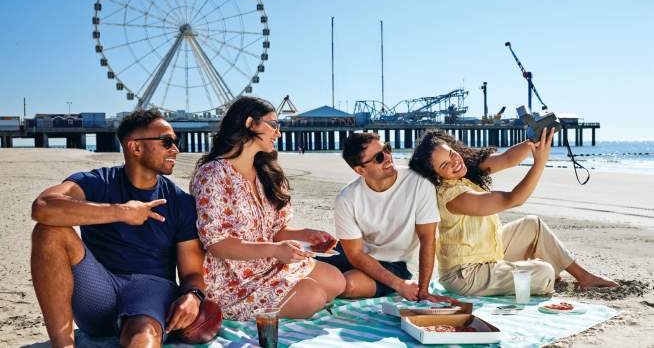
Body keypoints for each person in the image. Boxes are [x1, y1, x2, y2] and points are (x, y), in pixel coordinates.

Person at [31, 109, 205, 348]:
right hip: (97, 290)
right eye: (166, 141)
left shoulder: (180, 202)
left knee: (143, 337)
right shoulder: (98, 182)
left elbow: (192, 273)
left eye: (176, 142)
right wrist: (121, 212)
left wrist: (193, 296)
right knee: (48, 231)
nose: (175, 148)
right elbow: (42, 207)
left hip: (150, 289)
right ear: (135, 147)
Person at [409, 128, 619, 297]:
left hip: (487, 253)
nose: (455, 161)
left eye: (452, 153)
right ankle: (533, 273)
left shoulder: (465, 171)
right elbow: (513, 199)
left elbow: (509, 158)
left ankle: (584, 276)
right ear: (436, 176)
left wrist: (534, 137)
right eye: (445, 164)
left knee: (532, 225)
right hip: (466, 275)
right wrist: (540, 162)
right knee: (544, 271)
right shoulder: (452, 196)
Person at [190, 97, 345, 320]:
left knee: (337, 281)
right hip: (234, 280)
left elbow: (275, 232)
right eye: (273, 124)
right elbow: (217, 244)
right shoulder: (213, 175)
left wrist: (306, 235)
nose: (278, 133)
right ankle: (246, 308)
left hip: (271, 265)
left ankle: (290, 296)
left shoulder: (266, 173)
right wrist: (275, 250)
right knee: (313, 296)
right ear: (250, 123)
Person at [317, 132, 451, 302]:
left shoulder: (419, 183)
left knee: (349, 284)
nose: (388, 157)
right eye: (379, 157)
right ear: (360, 170)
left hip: (395, 264)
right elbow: (355, 254)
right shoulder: (347, 197)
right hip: (355, 256)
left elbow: (427, 238)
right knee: (299, 266)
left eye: (387, 149)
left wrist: (421, 290)